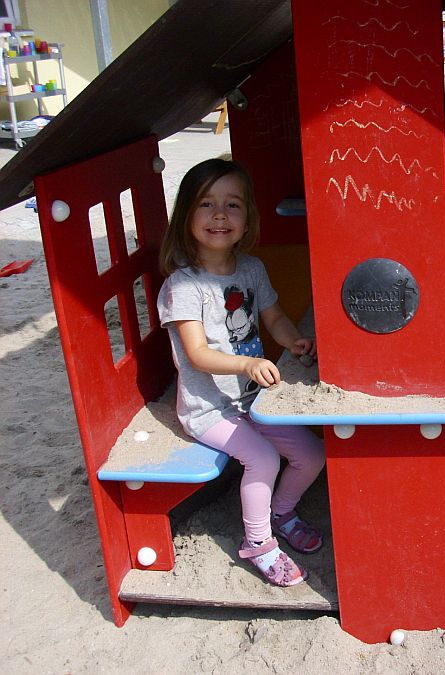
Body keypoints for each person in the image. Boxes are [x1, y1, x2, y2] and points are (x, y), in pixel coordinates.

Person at [158, 158, 326, 586]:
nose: (219, 215)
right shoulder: (183, 286)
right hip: (209, 409)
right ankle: (258, 542)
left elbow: (273, 318)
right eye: (206, 204)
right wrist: (248, 363)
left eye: (232, 205)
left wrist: (291, 340)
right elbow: (197, 353)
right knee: (264, 458)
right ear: (185, 217)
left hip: (252, 398)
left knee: (311, 454)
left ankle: (282, 511)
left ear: (247, 217)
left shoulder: (251, 269)